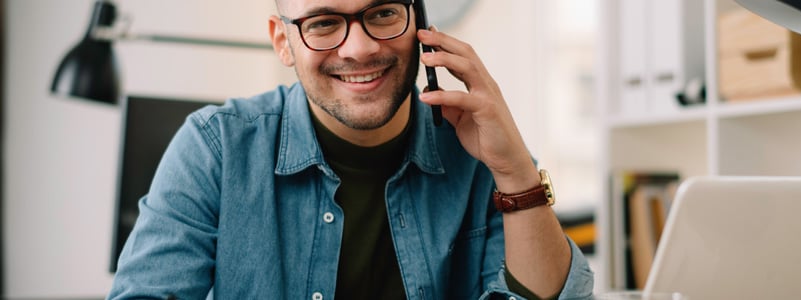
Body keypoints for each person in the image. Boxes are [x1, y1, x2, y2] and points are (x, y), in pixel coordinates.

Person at [108, 0, 594, 299]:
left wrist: (514, 173)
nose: (359, 49)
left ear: (419, 22)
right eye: (322, 23)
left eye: (382, 13)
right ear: (283, 41)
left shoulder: (481, 151)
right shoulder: (215, 148)